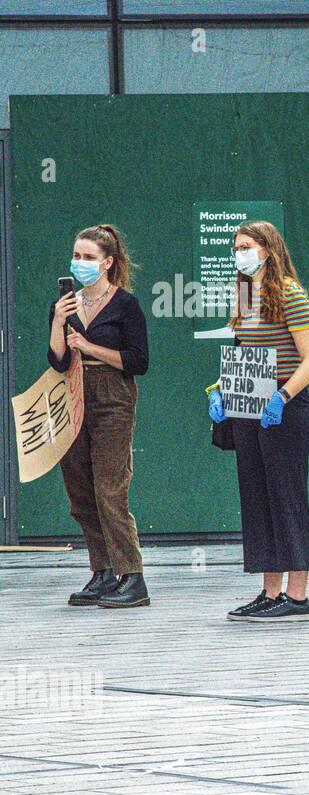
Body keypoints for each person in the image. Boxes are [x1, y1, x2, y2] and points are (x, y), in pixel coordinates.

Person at [208, 221, 309, 622]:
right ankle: (269, 590)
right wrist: (219, 389)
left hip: (283, 406)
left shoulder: (290, 293)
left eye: (246, 246)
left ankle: (297, 593)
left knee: (287, 496)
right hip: (247, 403)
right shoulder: (243, 292)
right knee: (257, 497)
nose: (239, 254)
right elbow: (242, 349)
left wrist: (284, 395)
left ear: (268, 250)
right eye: (236, 247)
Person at [48, 225, 151, 609]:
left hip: (112, 395)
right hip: (72, 393)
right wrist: (59, 322)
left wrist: (90, 347)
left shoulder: (125, 305)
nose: (80, 263)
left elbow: (138, 361)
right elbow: (57, 361)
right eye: (77, 256)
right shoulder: (67, 304)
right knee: (80, 490)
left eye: (89, 257)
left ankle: (131, 574)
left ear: (107, 263)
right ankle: (102, 568)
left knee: (110, 488)